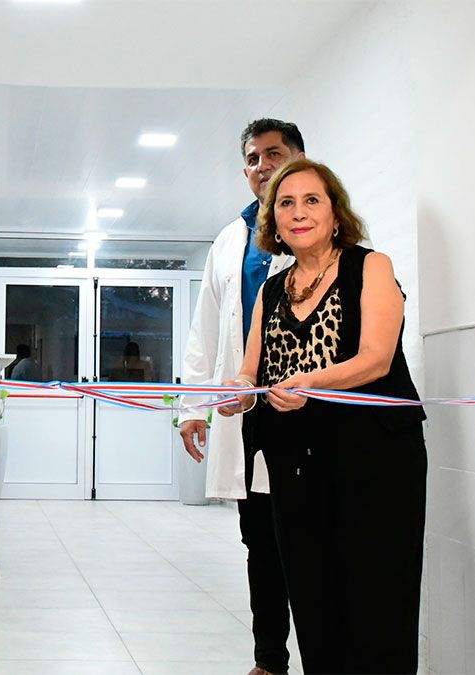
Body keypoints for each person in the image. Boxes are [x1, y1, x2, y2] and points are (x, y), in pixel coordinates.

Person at [227, 158, 426, 673]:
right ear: (273, 220)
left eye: (312, 200)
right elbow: (251, 373)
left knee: (377, 603)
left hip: (374, 458)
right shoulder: (272, 290)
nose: (298, 213)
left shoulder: (370, 266)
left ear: (336, 213)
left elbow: (376, 358)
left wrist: (310, 383)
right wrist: (236, 394)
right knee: (313, 603)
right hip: (295, 464)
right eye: (285, 203)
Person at [179, 118, 303, 675]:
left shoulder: (317, 228)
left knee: (306, 539)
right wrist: (192, 408)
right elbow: (205, 329)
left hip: (304, 408)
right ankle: (269, 660)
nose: (262, 166)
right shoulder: (231, 239)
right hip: (245, 406)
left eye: (274, 154)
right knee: (260, 540)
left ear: (299, 158)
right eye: (253, 158)